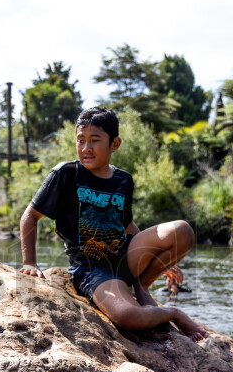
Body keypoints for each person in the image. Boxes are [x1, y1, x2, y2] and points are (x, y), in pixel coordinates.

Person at [19, 107, 208, 342]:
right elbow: (30, 216)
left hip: (125, 255)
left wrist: (159, 258)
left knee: (183, 230)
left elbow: (127, 224)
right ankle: (174, 312)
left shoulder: (123, 180)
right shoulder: (66, 174)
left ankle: (141, 287)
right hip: (92, 268)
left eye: (94, 140)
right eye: (81, 140)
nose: (86, 148)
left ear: (114, 144)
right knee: (130, 317)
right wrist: (30, 262)